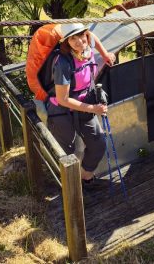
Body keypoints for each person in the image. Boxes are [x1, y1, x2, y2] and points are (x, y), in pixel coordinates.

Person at [47, 23, 115, 189]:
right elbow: (63, 99)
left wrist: (106, 54)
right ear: (67, 42)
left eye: (81, 36)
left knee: (98, 144)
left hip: (84, 104)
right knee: (67, 154)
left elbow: (95, 39)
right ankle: (70, 191)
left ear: (87, 35)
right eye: (73, 38)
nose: (79, 42)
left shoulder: (87, 45)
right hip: (61, 111)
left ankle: (85, 177)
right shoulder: (63, 62)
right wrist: (94, 109)